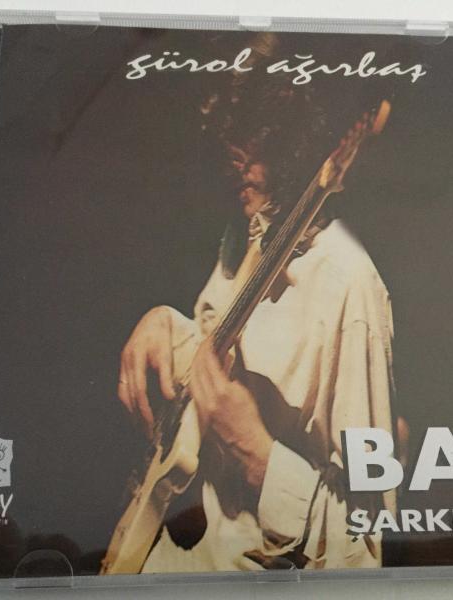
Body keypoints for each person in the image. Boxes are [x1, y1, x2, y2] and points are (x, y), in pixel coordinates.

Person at [116, 33, 397, 572]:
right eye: (231, 142)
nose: (236, 164)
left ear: (299, 139)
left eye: (254, 142)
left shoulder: (348, 286)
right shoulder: (248, 231)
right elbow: (212, 364)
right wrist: (166, 326)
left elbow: (364, 547)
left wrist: (256, 453)